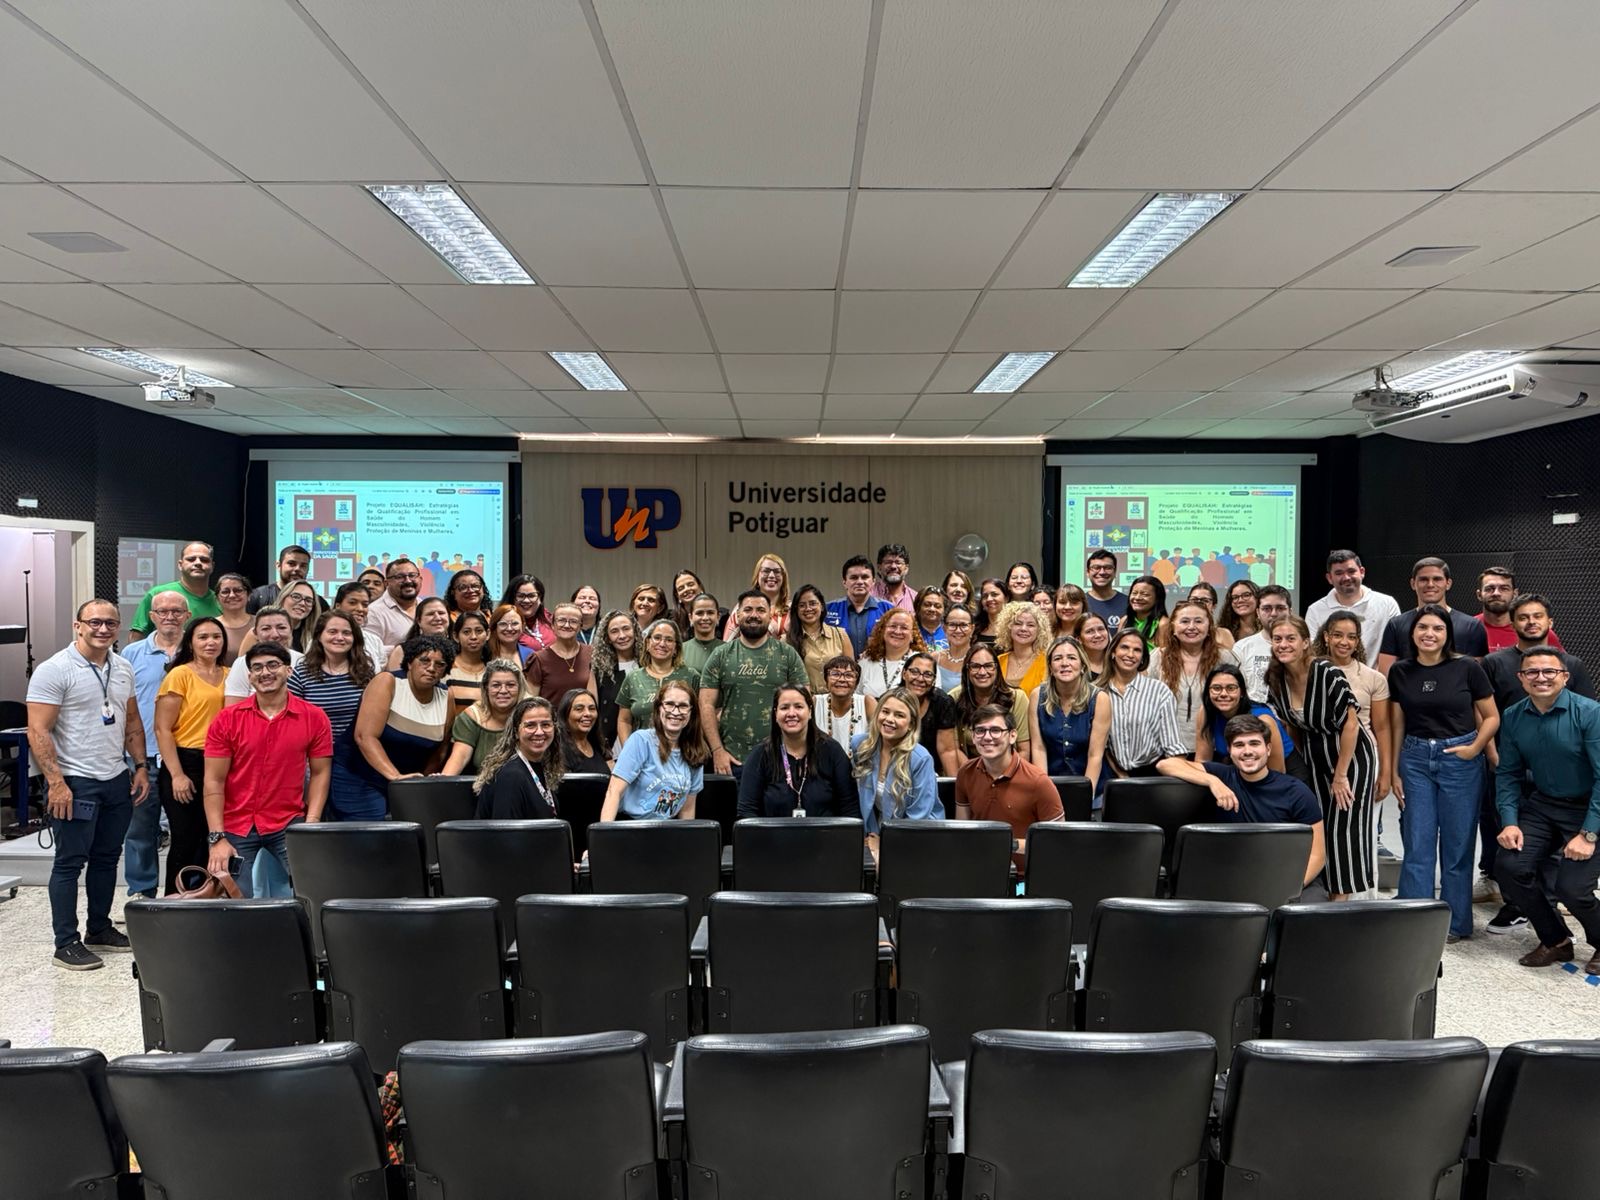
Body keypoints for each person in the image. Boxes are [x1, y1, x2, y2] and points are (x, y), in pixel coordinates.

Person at [27, 599, 148, 970]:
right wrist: (56, 784)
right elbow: (38, 729)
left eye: (111, 623)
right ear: (77, 625)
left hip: (115, 778)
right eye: (94, 622)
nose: (103, 629)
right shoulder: (55, 670)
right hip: (74, 781)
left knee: (107, 858)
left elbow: (130, 721)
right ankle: (66, 943)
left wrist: (140, 766)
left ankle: (99, 928)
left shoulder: (122, 666)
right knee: (69, 863)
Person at [1477, 593, 1593, 933]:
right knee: (1513, 856)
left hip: (1573, 790)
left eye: (1537, 616)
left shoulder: (1580, 687)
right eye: (1524, 617)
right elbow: (1491, 723)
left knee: (1564, 869)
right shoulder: (1503, 686)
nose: (1541, 677)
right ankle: (1536, 922)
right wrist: (1494, 757)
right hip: (1526, 783)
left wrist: (1589, 831)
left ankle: (1571, 914)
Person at [1386, 605, 1498, 939]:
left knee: (1457, 846)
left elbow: (1491, 717)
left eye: (1437, 628)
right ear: (1413, 633)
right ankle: (1415, 920)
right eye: (1422, 628)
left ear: (1447, 633)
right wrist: (1393, 771)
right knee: (1418, 842)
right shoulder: (1401, 671)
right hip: (1416, 757)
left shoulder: (1467, 668)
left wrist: (1475, 749)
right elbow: (1396, 724)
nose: (1429, 634)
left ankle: (1455, 923)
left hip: (1460, 759)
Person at [1492, 647, 1600, 974]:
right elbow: (1508, 773)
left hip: (1588, 807)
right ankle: (1555, 941)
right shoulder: (1513, 715)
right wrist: (1509, 822)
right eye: (1532, 672)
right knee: (1510, 866)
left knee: (1573, 889)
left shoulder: (1590, 713)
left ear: (1564, 677)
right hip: (1544, 805)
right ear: (1521, 679)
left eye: (1549, 671)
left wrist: (1589, 833)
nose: (1541, 678)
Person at [203, 643, 332, 898]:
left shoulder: (314, 717)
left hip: (288, 821)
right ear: (249, 676)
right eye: (257, 668)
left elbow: (320, 773)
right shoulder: (227, 719)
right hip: (236, 825)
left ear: (289, 671)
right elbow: (214, 781)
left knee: (315, 891)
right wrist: (216, 838)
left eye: (273, 665)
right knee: (234, 901)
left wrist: (311, 825)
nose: (265, 673)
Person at [1266, 614, 1379, 902]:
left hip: (1351, 757)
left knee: (1344, 827)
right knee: (1322, 826)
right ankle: (1325, 894)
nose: (1283, 644)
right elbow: (1290, 725)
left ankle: (1338, 904)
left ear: (1306, 643)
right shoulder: (1276, 678)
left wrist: (1341, 775)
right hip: (1315, 758)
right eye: (1277, 639)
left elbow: (1351, 724)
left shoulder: (1327, 671)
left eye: (1290, 638)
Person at [1157, 716, 1328, 893]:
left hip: (1285, 875)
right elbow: (1166, 764)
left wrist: (1289, 888)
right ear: (1230, 751)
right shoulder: (1222, 776)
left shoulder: (1296, 791)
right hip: (1235, 875)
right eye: (1239, 745)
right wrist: (1212, 782)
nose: (1247, 751)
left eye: (1254, 744)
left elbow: (1317, 855)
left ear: (1268, 749)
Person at [121, 591, 190, 900]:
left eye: (177, 611)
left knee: (187, 829)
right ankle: (142, 893)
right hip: (143, 757)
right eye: (162, 611)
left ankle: (188, 890)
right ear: (151, 617)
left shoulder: (199, 650)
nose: (170, 616)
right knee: (140, 830)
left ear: (187, 616)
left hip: (187, 756)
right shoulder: (131, 655)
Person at [153, 617, 228, 894]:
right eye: (203, 637)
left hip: (220, 764)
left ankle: (205, 897)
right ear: (191, 643)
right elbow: (162, 729)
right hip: (185, 761)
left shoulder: (231, 674)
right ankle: (174, 901)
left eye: (216, 637)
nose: (211, 642)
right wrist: (177, 775)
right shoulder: (180, 675)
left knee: (212, 838)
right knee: (186, 839)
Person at [699, 590, 808, 776]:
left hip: (780, 758)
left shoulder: (787, 654)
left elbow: (804, 704)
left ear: (769, 616)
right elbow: (706, 704)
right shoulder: (721, 654)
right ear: (738, 615)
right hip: (733, 759)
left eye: (760, 610)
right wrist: (717, 751)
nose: (754, 615)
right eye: (748, 610)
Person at [350, 634, 454, 818]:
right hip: (360, 776)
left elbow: (441, 749)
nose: (431, 668)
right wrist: (396, 777)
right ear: (409, 663)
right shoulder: (388, 682)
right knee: (373, 829)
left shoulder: (446, 696)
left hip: (407, 779)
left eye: (440, 664)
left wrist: (419, 784)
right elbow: (365, 737)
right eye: (424, 661)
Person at [287, 612, 377, 822]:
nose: (340, 637)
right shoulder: (302, 672)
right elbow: (292, 718)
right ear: (319, 636)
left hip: (354, 760)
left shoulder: (366, 671)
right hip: (313, 760)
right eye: (333, 631)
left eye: (346, 633)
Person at [956, 703, 1064, 869]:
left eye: (995, 730)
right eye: (980, 730)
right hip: (977, 870)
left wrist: (1004, 844)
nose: (987, 737)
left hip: (1024, 879)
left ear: (1012, 736)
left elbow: (1057, 842)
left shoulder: (1038, 782)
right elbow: (962, 831)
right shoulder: (966, 772)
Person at [737, 684, 860, 818]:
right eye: (784, 708)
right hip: (773, 837)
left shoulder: (832, 751)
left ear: (810, 712)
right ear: (775, 714)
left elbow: (850, 809)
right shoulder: (761, 754)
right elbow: (747, 811)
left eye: (798, 706)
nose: (791, 713)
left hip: (824, 837)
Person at [1310, 611, 1393, 804]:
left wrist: (1385, 773)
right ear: (1326, 637)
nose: (1344, 642)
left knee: (1363, 825)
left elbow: (1382, 728)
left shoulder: (1374, 678)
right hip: (1320, 757)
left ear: (1357, 641)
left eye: (1351, 637)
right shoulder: (1311, 672)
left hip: (1362, 756)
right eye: (1337, 635)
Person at [600, 680, 709, 821]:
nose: (675, 712)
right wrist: (605, 836)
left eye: (683, 706)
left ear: (691, 712)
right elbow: (613, 792)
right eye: (669, 704)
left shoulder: (695, 750)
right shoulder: (641, 741)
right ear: (659, 708)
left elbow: (687, 808)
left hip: (666, 829)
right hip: (631, 826)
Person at [852, 687, 942, 858]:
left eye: (899, 715)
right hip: (875, 831)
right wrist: (871, 836)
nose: (889, 719)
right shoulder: (861, 746)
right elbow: (864, 801)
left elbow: (919, 817)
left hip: (916, 836)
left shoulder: (920, 759)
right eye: (885, 711)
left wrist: (883, 842)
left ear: (911, 724)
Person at [1146, 600, 1239, 756]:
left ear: (1209, 627)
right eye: (1184, 621)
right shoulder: (1157, 657)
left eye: (1198, 621)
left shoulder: (1225, 658)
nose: (1191, 627)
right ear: (1173, 627)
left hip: (1215, 747)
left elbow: (1238, 700)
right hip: (1167, 747)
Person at [1029, 635, 1110, 802]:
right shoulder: (1038, 696)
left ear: (1082, 665)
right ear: (1050, 667)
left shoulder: (1100, 698)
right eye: (1057, 658)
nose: (1064, 663)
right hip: (1051, 783)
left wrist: (1086, 796)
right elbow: (1038, 748)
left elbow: (1095, 755)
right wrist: (1044, 792)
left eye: (1072, 658)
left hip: (1091, 787)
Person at [1481, 594, 1594, 713]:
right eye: (1523, 618)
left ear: (1550, 623)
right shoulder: (1493, 663)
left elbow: (1588, 711)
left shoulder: (1573, 664)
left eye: (1538, 616)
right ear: (1513, 625)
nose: (1531, 622)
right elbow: (1484, 713)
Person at [1377, 557, 1490, 672]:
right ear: (1413, 584)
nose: (1430, 584)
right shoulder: (1396, 625)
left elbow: (1477, 676)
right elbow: (1386, 675)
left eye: (1437, 579)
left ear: (1448, 583)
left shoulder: (1471, 626)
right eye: (1423, 579)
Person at [1102, 628, 1184, 778]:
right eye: (1124, 647)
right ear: (1113, 652)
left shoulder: (1159, 691)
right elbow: (1102, 746)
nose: (1130, 654)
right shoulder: (1099, 692)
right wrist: (1122, 776)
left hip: (1152, 774)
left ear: (1143, 658)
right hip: (1113, 774)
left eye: (1137, 650)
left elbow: (1173, 746)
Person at [471, 698, 567, 821]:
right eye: (530, 725)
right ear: (516, 732)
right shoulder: (510, 775)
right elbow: (507, 834)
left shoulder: (541, 766)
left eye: (546, 725)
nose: (539, 732)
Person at [1195, 664, 1292, 774]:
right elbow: (1202, 762)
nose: (1223, 694)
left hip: (1283, 768)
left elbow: (1277, 772)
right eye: (1216, 688)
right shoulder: (1206, 712)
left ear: (1242, 692)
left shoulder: (1262, 719)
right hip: (1242, 766)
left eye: (1231, 688)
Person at [615, 618, 699, 746]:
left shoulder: (691, 676)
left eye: (669, 640)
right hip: (643, 753)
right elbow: (624, 720)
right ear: (648, 643)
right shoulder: (633, 678)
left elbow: (701, 717)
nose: (662, 644)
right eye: (657, 638)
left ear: (676, 647)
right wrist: (629, 750)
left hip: (683, 752)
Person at [441, 660, 527, 775]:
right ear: (486, 688)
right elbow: (460, 757)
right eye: (496, 685)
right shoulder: (472, 716)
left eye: (510, 685)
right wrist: (443, 782)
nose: (503, 691)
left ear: (520, 687)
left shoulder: (530, 715)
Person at [951, 643, 1030, 764]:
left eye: (988, 666)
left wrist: (1005, 777)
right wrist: (973, 776)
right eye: (975, 666)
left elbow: (1024, 750)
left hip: (1009, 770)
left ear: (997, 668)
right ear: (967, 670)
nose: (982, 672)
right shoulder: (954, 698)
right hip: (970, 770)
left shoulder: (1017, 698)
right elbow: (954, 749)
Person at [129, 542, 220, 639]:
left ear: (212, 566)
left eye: (204, 560)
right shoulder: (157, 594)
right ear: (180, 565)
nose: (198, 563)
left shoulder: (221, 601)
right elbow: (137, 635)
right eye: (191, 559)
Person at [223, 608, 304, 704]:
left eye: (281, 628)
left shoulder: (302, 661)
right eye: (266, 629)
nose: (275, 635)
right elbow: (233, 711)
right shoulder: (242, 663)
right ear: (256, 634)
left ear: (291, 631)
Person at [1473, 567, 1562, 654]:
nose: (1496, 593)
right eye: (1489, 589)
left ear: (1515, 594)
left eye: (1504, 588)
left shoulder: (1537, 630)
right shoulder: (1469, 629)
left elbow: (1562, 665)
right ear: (1479, 595)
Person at [901, 651, 961, 776]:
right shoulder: (891, 701)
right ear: (904, 674)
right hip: (897, 769)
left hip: (932, 773)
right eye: (914, 672)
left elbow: (947, 750)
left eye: (928, 674)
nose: (920, 679)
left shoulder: (942, 702)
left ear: (934, 680)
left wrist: (953, 788)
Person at [1232, 585, 1291, 703]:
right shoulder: (1242, 647)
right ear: (1258, 613)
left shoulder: (1303, 646)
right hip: (1254, 715)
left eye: (1280, 608)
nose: (1274, 614)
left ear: (1290, 611)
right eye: (1267, 608)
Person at [591, 610, 640, 751]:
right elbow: (592, 710)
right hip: (610, 748)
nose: (622, 636)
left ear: (635, 631)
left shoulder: (648, 663)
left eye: (626, 629)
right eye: (614, 631)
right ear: (607, 638)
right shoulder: (599, 670)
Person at [525, 602, 594, 703]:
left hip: (584, 717)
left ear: (580, 626)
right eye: (561, 620)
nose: (567, 625)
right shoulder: (539, 659)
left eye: (573, 621)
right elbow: (531, 701)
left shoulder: (592, 654)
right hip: (551, 718)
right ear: (552, 625)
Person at [788, 583, 852, 693]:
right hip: (805, 703)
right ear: (796, 610)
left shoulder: (840, 635)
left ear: (822, 606)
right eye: (802, 605)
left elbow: (851, 673)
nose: (808, 609)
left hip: (837, 702)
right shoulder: (787, 641)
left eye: (813, 603)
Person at [826, 555, 892, 656]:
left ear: (873, 581)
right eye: (854, 577)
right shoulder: (828, 609)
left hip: (876, 669)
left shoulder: (888, 609)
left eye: (865, 577)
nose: (860, 582)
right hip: (840, 670)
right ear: (844, 582)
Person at [858, 608, 926, 700]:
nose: (897, 631)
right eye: (893, 626)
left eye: (904, 628)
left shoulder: (924, 663)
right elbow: (856, 699)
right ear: (882, 631)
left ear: (913, 635)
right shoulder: (866, 662)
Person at [815, 655, 874, 749]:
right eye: (835, 674)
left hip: (858, 762)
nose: (842, 679)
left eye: (849, 675)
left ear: (857, 683)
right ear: (826, 681)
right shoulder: (815, 703)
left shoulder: (867, 703)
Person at [365, 558, 423, 654]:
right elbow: (369, 651)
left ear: (420, 579)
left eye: (412, 575)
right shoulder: (373, 612)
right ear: (387, 583)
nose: (408, 581)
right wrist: (403, 649)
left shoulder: (425, 606)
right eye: (400, 577)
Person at [331, 581, 389, 670]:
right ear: (338, 606)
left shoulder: (375, 642)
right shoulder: (323, 639)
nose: (360, 609)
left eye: (365, 605)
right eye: (353, 603)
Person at [994, 602, 1047, 696]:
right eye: (1018, 623)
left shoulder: (1047, 661)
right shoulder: (998, 660)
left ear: (1039, 630)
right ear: (1008, 627)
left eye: (1030, 625)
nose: (1023, 629)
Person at [383, 596, 451, 670]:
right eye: (430, 614)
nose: (437, 618)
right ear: (419, 621)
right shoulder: (402, 651)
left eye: (441, 613)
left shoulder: (460, 648)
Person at [446, 610, 490, 716]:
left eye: (479, 631)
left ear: (488, 634)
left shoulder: (492, 670)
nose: (473, 637)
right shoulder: (446, 668)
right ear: (456, 636)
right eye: (466, 632)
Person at [557, 687, 609, 774]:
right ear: (565, 714)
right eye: (579, 709)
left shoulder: (599, 745)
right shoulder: (558, 750)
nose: (587, 714)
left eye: (592, 708)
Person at [247, 545, 311, 614]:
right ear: (278, 565)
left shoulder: (317, 602)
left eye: (303, 566)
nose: (297, 568)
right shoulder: (257, 596)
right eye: (291, 564)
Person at [502, 574, 555, 653]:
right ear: (512, 598)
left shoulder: (548, 617)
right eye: (520, 596)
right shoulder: (503, 624)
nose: (526, 600)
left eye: (531, 596)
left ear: (540, 598)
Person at [671, 569, 728, 641]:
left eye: (690, 584)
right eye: (681, 588)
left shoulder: (723, 617)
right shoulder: (673, 622)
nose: (687, 589)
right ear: (677, 596)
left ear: (700, 587)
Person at [1083, 550, 1128, 635]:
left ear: (1115, 572)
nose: (1102, 572)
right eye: (1096, 567)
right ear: (1088, 573)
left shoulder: (1128, 603)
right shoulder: (1080, 603)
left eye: (1108, 568)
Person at [683, 592, 727, 678]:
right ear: (690, 617)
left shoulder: (729, 650)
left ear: (718, 617)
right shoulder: (680, 650)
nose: (705, 618)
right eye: (699, 613)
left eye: (710, 612)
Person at [215, 573, 253, 666]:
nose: (232, 595)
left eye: (238, 590)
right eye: (225, 592)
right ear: (217, 598)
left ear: (249, 595)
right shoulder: (210, 626)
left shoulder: (261, 623)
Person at [1123, 575, 1169, 650]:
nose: (1137, 598)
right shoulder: (1124, 621)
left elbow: (1165, 658)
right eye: (1134, 593)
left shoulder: (1163, 624)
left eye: (1145, 594)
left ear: (1157, 598)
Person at [935, 604, 974, 692]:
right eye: (952, 625)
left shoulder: (978, 660)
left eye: (963, 625)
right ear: (944, 628)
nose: (958, 630)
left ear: (972, 629)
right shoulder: (935, 658)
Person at [871, 543, 915, 612]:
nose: (893, 566)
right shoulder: (868, 596)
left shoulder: (915, 598)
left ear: (906, 568)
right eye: (888, 562)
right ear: (879, 567)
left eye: (898, 562)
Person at [488, 603, 532, 667]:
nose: (509, 629)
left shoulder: (530, 655)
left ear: (523, 627)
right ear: (494, 628)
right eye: (503, 624)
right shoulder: (484, 654)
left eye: (515, 623)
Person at [1220, 579, 1261, 644]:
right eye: (1235, 597)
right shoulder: (1222, 632)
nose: (1240, 600)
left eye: (1246, 595)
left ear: (1257, 598)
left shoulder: (1268, 629)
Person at [913, 586, 950, 651]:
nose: (932, 609)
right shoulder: (910, 632)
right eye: (927, 605)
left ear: (945, 610)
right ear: (918, 607)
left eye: (937, 606)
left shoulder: (951, 632)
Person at [973, 577, 1008, 645]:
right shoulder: (974, 627)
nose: (989, 599)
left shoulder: (1014, 626)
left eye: (994, 594)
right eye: (985, 596)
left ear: (1006, 598)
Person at [1078, 612, 1110, 683]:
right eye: (1089, 631)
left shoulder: (1117, 663)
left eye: (1101, 629)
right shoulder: (1075, 667)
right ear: (1079, 639)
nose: (1098, 635)